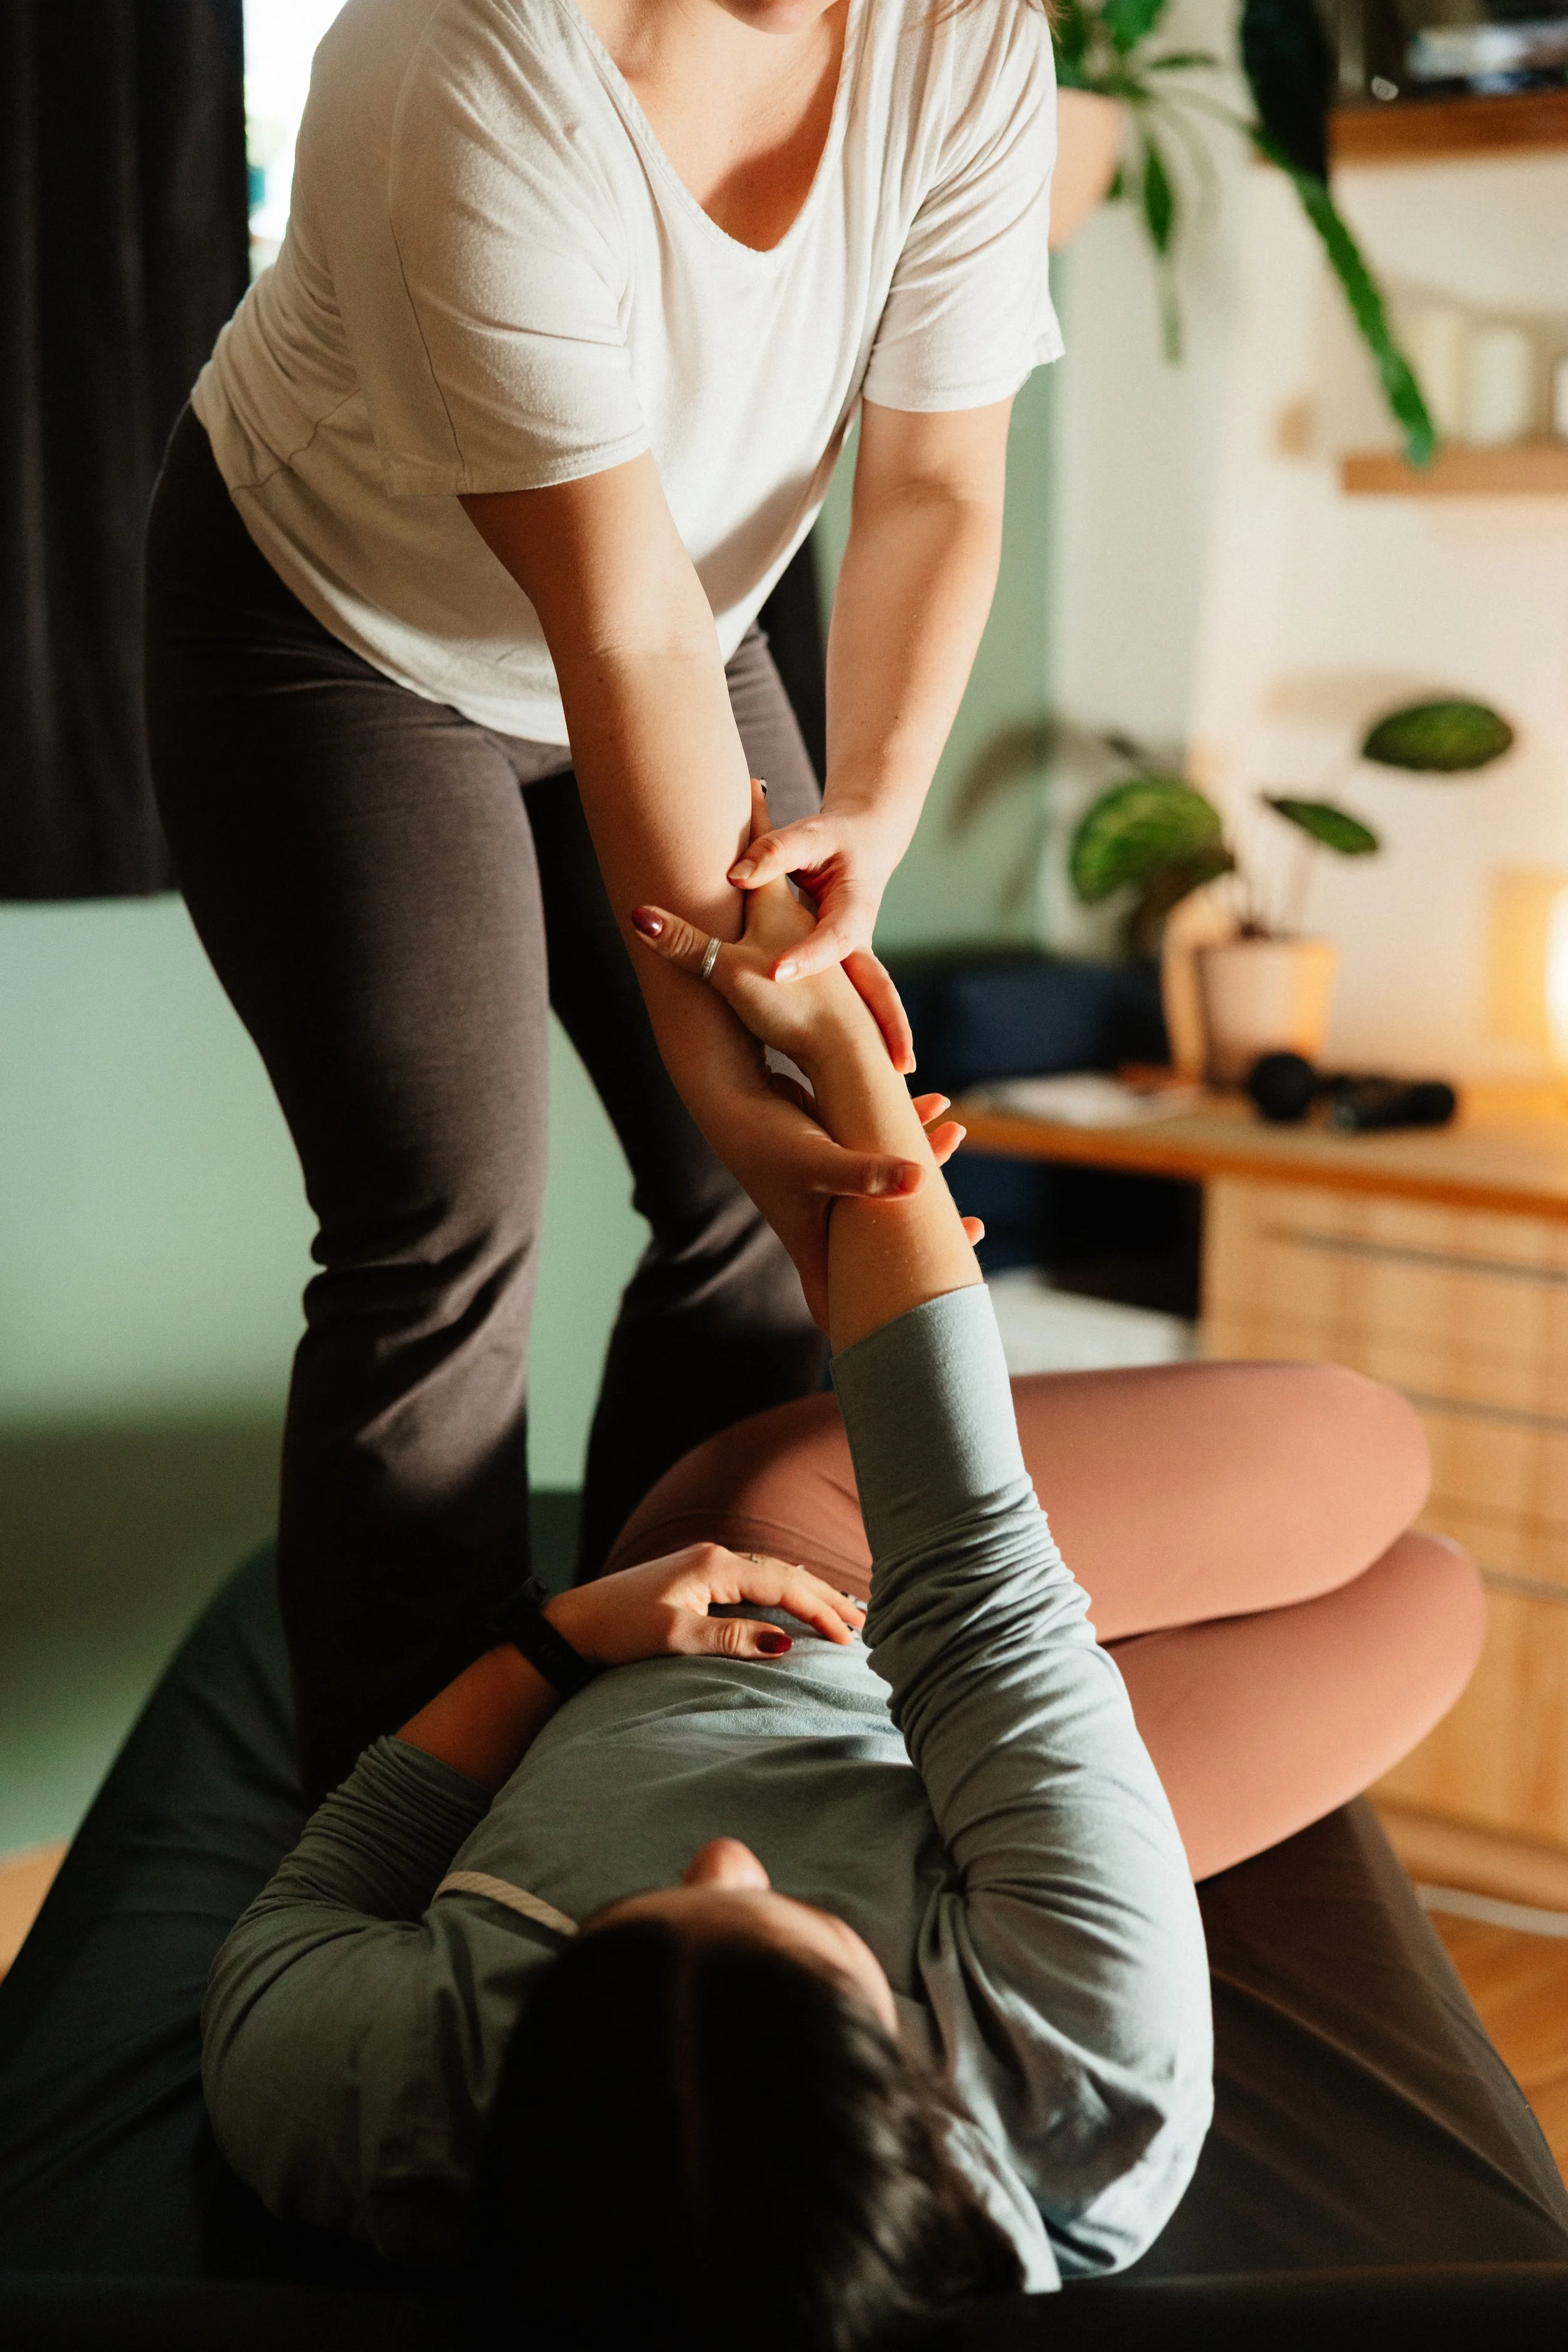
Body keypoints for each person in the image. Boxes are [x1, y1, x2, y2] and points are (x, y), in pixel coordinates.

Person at [201, 823, 1486, 2349]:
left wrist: (555, 1647)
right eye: (777, 1921)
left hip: (775, 1581)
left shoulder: (368, 2106)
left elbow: (308, 1908)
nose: (723, 1857)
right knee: (1422, 1568)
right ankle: (1040, 1788)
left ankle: (1020, 1768)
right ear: (908, 2076)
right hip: (958, 1779)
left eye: (627, 1921)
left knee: (1368, 1477)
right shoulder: (1085, 2079)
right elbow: (970, 1569)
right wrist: (854, 1088)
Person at [143, 0, 1061, 1809]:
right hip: (340, 637)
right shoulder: (464, 61)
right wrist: (735, 1085)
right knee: (443, 1239)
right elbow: (612, 622)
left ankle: (651, 1725)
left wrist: (864, 810)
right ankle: (400, 1831)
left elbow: (937, 480)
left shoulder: (964, 38)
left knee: (758, 1210)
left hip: (687, 626)